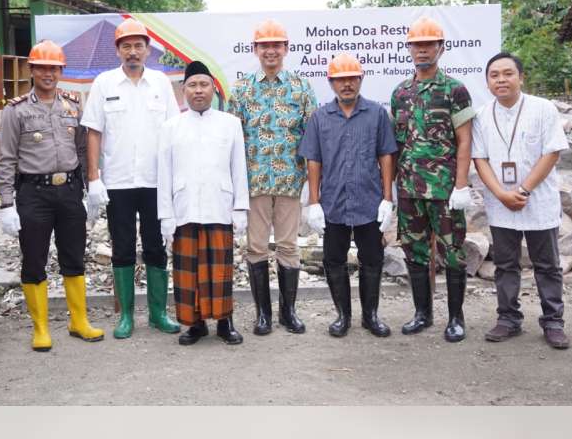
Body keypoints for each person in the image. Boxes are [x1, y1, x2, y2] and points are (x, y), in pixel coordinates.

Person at [0, 40, 104, 351]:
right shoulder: (15, 110)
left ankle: (78, 321)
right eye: (42, 67)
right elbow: (5, 159)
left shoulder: (72, 105)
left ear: (61, 71)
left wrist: (91, 186)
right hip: (34, 193)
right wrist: (6, 203)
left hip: (69, 191)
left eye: (54, 68)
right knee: (34, 261)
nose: (48, 73)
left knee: (74, 257)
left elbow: (83, 150)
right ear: (31, 69)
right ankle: (41, 328)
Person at [81, 18, 180, 339]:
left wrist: (176, 178)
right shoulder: (104, 84)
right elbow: (93, 132)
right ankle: (125, 317)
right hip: (119, 183)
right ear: (118, 50)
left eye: (139, 46)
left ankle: (158, 313)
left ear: (148, 50)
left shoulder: (161, 84)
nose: (133, 52)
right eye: (127, 46)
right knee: (122, 248)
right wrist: (94, 179)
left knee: (156, 247)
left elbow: (173, 132)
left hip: (156, 182)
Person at [472, 52, 570, 349]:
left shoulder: (543, 109)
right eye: (494, 75)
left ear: (520, 77)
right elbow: (480, 158)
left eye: (507, 73)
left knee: (547, 264)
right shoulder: (482, 115)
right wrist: (502, 193)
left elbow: (551, 152)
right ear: (488, 82)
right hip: (500, 203)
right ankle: (508, 319)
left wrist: (524, 190)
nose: (501, 79)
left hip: (537, 200)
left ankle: (553, 321)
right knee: (505, 264)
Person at [227, 20, 318, 336]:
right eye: (264, 45)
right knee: (255, 248)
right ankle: (262, 314)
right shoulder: (241, 90)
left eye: (276, 45)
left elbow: (312, 137)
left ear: (286, 49)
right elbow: (232, 141)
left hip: (291, 183)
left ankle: (288, 313)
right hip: (254, 184)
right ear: (255, 50)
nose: (270, 51)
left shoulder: (301, 88)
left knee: (289, 247)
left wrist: (312, 185)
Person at [298, 53, 397, 338]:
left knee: (373, 258)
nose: (347, 84)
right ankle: (343, 316)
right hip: (333, 202)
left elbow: (386, 155)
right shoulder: (320, 118)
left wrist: (387, 198)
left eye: (352, 78)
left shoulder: (377, 114)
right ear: (331, 83)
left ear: (360, 79)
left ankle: (371, 316)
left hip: (368, 200)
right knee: (333, 259)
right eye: (340, 79)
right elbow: (313, 160)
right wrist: (314, 202)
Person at [390, 16, 474, 343]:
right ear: (410, 49)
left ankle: (455, 318)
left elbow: (464, 140)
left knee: (453, 252)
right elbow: (397, 144)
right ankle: (422, 314)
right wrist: (394, 190)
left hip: (445, 190)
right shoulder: (401, 93)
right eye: (416, 44)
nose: (422, 50)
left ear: (441, 47)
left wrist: (463, 185)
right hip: (410, 189)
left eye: (428, 44)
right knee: (415, 253)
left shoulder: (455, 90)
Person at [157, 61, 250, 346]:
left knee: (219, 269)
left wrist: (240, 207)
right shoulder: (171, 127)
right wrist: (166, 216)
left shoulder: (230, 124)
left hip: (219, 206)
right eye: (193, 85)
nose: (198, 91)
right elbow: (164, 173)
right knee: (190, 272)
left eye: (204, 85)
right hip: (184, 209)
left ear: (213, 89)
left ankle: (225, 323)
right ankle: (195, 325)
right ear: (183, 90)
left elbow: (239, 168)